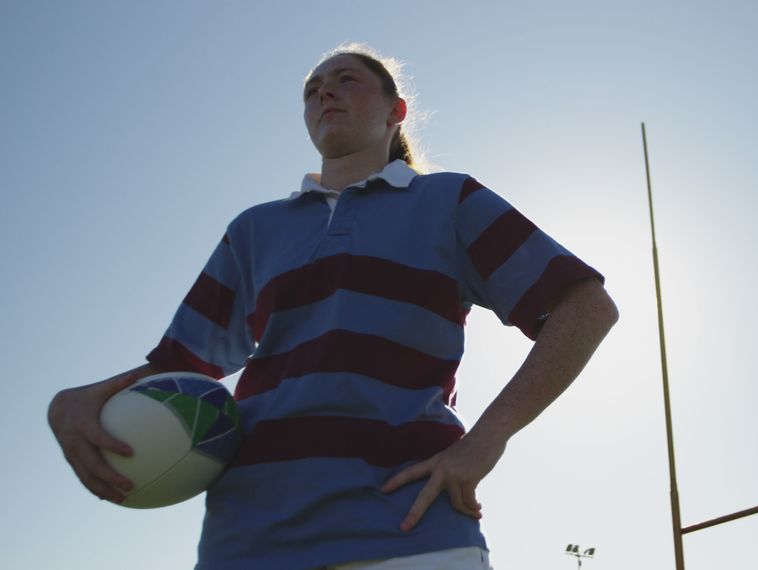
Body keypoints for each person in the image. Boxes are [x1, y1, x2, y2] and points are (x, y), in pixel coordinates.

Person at [47, 42, 618, 570]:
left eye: (345, 79)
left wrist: (484, 441)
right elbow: (182, 366)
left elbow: (586, 307)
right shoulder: (255, 229)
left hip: (413, 528)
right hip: (249, 539)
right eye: (312, 88)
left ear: (396, 111)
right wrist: (78, 400)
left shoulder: (448, 199)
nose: (323, 91)